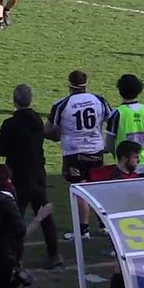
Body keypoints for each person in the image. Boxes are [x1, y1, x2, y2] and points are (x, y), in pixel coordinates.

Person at [0, 84, 61, 268]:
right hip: (38, 172)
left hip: (18, 174)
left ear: (14, 101)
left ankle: (17, 257)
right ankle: (54, 254)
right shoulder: (37, 120)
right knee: (44, 213)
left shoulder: (10, 124)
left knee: (16, 216)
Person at [45, 69, 111, 240]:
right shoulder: (99, 100)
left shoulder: (62, 104)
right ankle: (104, 225)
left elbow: (52, 130)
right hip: (96, 149)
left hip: (74, 151)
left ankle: (83, 230)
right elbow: (111, 119)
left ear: (69, 85)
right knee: (95, 187)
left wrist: (44, 133)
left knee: (80, 188)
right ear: (86, 84)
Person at [105, 74, 144, 175]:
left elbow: (109, 144)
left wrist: (117, 156)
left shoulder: (117, 114)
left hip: (125, 167)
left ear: (120, 91)